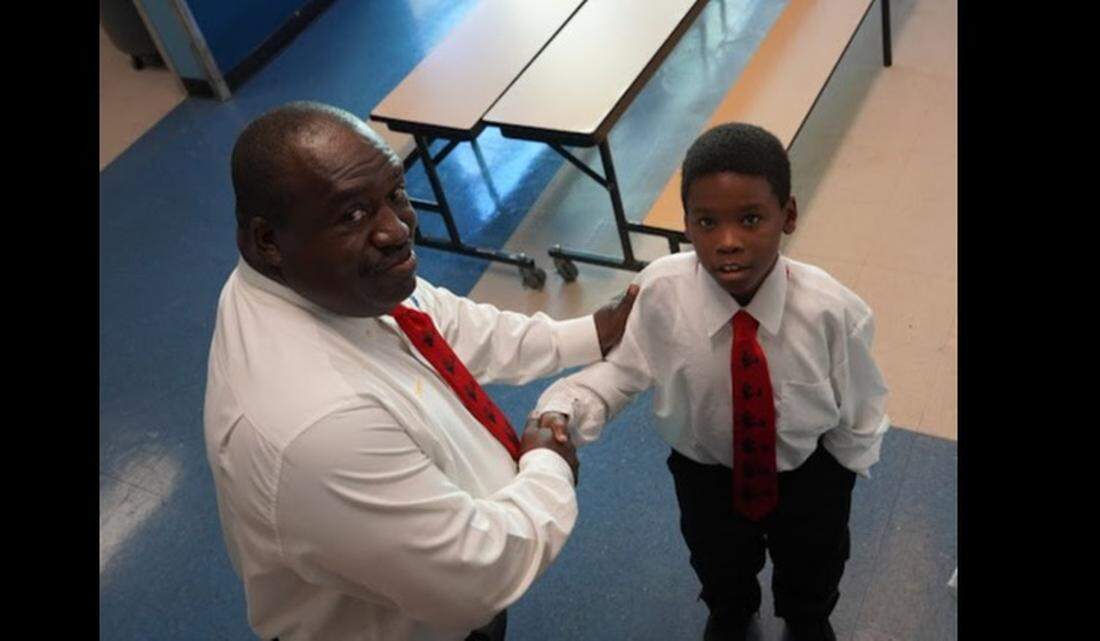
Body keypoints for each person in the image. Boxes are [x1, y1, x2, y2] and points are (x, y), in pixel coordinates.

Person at [203, 101, 638, 641]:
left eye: (396, 195)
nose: (398, 230)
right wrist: (547, 465)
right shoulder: (318, 426)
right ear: (267, 240)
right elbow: (478, 576)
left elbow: (443, 321)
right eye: (353, 216)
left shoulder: (321, 279)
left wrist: (589, 334)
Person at [532, 122, 890, 641]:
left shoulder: (833, 311)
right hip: (706, 475)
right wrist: (565, 407)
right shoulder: (659, 292)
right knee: (718, 560)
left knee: (814, 563)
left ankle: (807, 616)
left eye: (750, 220)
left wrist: (841, 478)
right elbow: (621, 370)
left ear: (787, 215)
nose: (727, 243)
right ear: (687, 223)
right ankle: (730, 609)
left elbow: (859, 403)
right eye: (706, 222)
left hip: (809, 476)